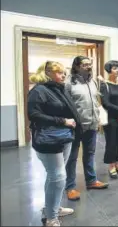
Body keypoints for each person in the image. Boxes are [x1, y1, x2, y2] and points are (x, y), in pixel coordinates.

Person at [28, 61, 81, 226]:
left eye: (64, 72)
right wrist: (63, 121)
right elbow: (34, 115)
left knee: (55, 177)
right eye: (59, 72)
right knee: (58, 177)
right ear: (47, 73)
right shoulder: (38, 90)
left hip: (63, 137)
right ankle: (51, 218)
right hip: (49, 140)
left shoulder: (58, 89)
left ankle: (53, 208)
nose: (63, 75)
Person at [64, 56, 108, 201]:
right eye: (84, 64)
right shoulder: (69, 82)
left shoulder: (93, 81)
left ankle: (91, 181)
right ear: (76, 66)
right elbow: (65, 105)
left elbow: (96, 100)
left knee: (89, 154)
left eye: (90, 64)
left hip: (92, 124)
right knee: (72, 158)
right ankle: (70, 187)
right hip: (76, 126)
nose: (89, 66)